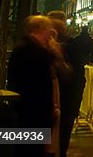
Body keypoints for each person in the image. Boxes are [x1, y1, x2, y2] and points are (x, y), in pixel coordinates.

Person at [6, 15, 61, 157]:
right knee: (31, 149)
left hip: (34, 109)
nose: (51, 33)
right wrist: (53, 51)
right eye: (48, 28)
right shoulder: (29, 49)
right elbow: (40, 74)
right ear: (38, 30)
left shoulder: (30, 47)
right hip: (31, 109)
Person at [47, 12, 88, 156]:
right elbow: (80, 79)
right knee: (60, 141)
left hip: (58, 105)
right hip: (66, 105)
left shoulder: (58, 47)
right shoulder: (71, 45)